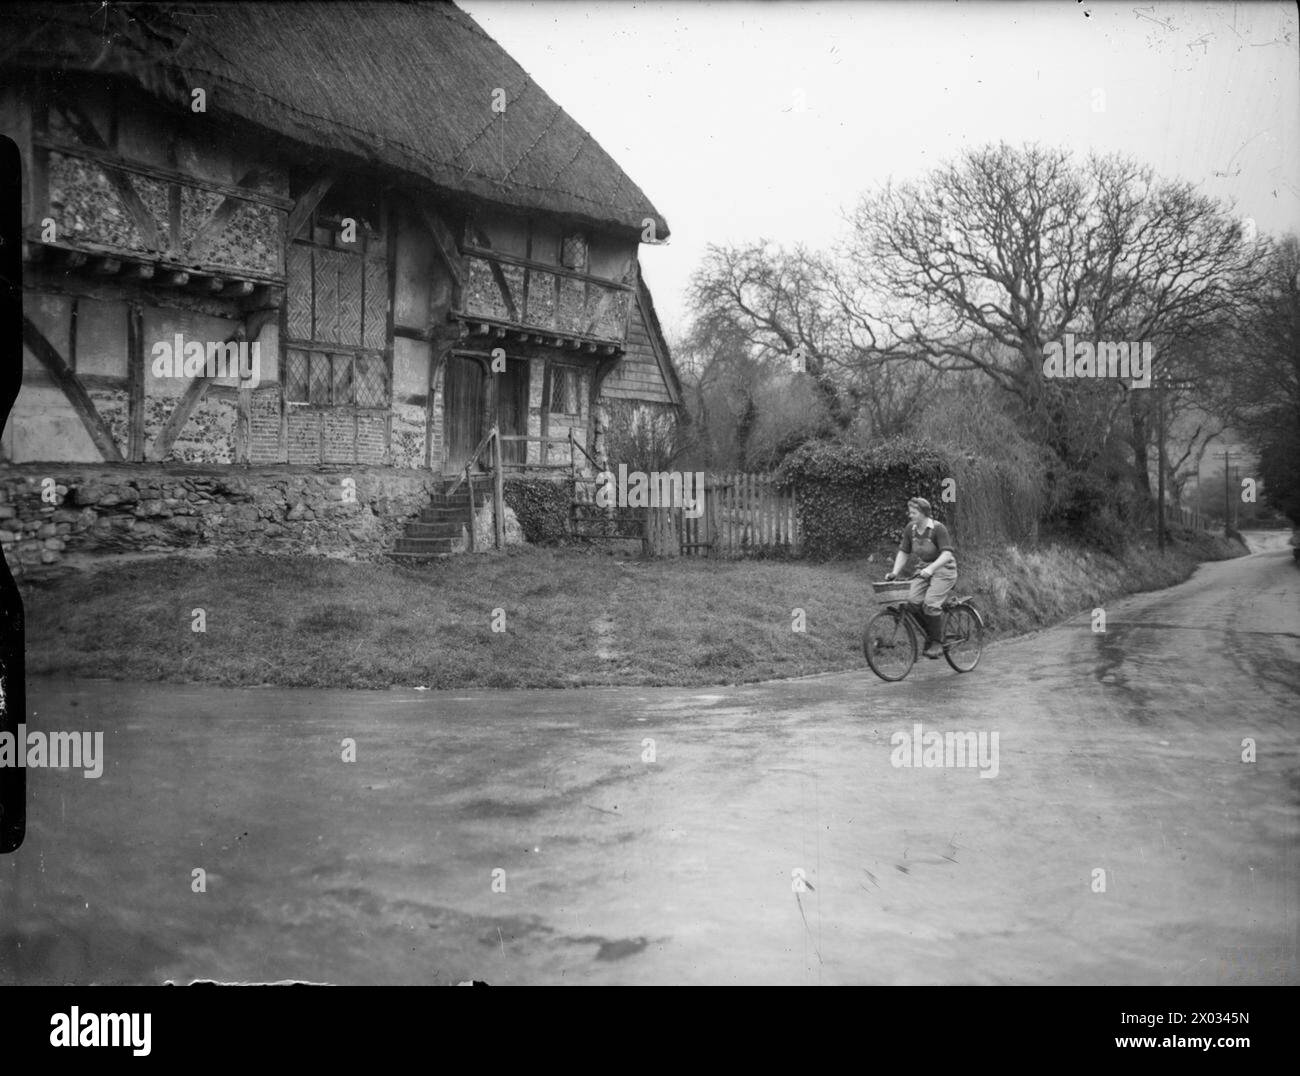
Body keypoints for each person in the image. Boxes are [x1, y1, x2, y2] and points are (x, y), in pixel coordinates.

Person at [885, 497, 957, 659]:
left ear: (924, 513)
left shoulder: (938, 529)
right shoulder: (911, 529)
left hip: (944, 569)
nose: (910, 515)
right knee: (910, 600)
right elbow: (904, 551)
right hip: (924, 569)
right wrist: (895, 572)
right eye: (910, 512)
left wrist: (931, 569)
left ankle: (937, 643)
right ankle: (931, 635)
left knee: (930, 603)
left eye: (914, 512)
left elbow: (947, 554)